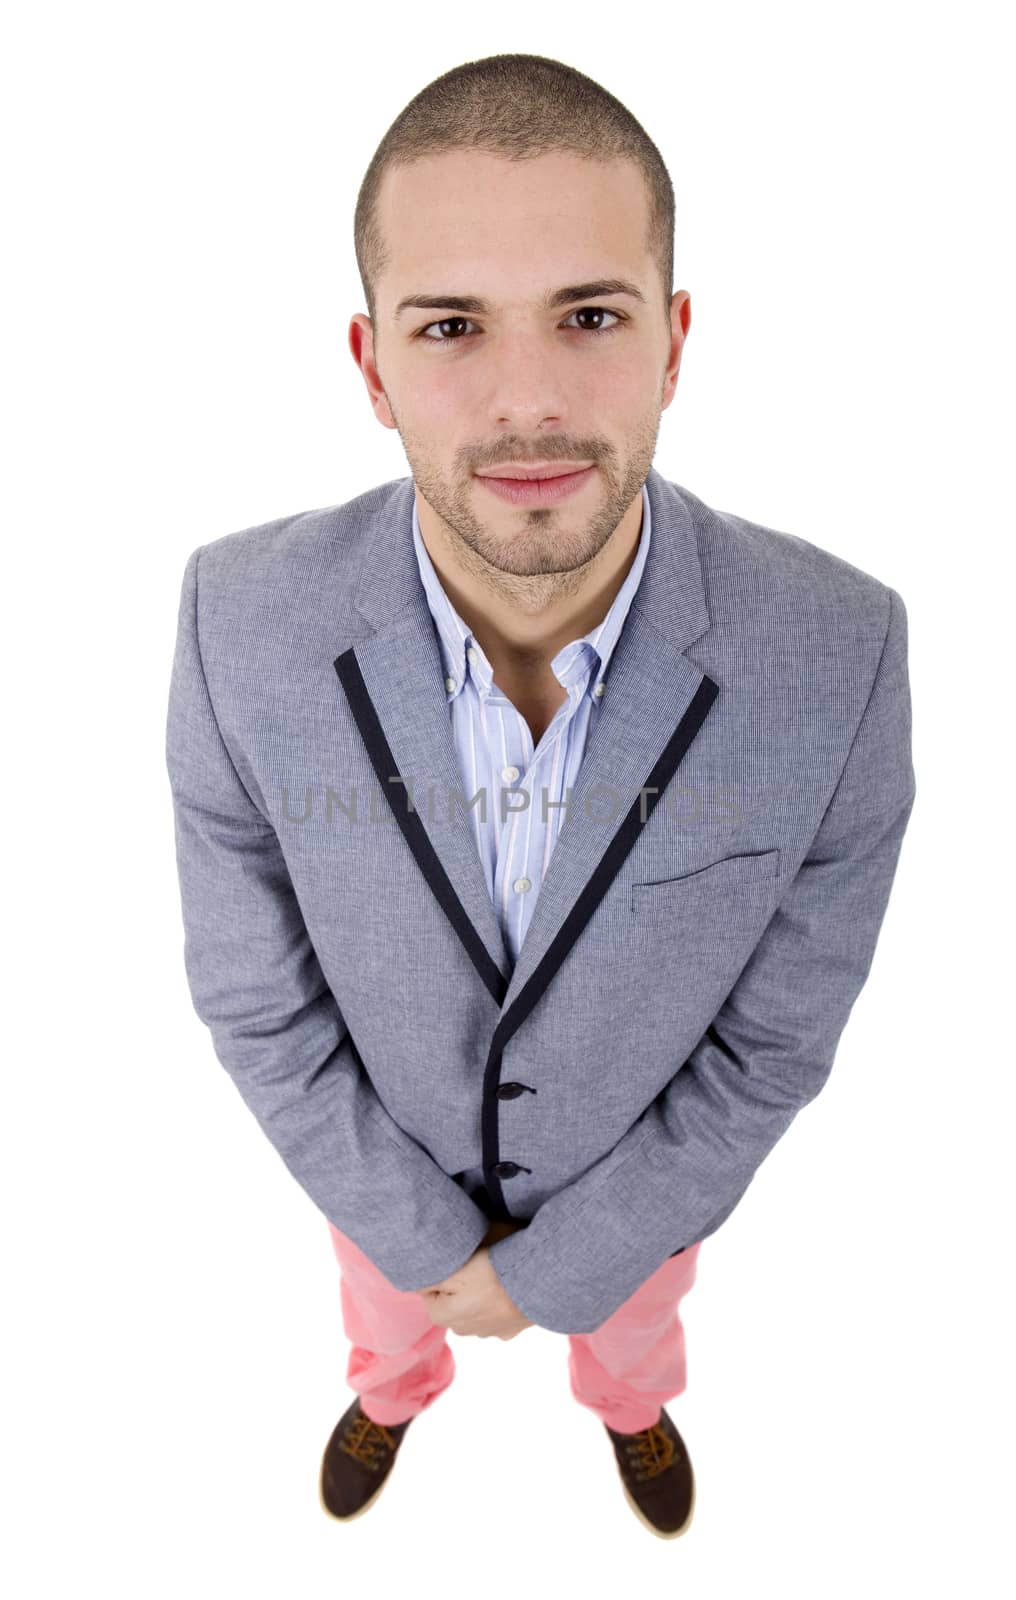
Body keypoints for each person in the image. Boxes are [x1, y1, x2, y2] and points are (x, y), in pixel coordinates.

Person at [165, 53, 916, 1541]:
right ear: (374, 366)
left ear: (673, 344)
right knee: (384, 1324)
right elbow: (256, 1001)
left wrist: (560, 1273)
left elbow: (777, 1041)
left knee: (633, 1340)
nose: (529, 400)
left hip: (643, 1202)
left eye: (590, 316)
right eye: (452, 326)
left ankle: (631, 1410)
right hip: (381, 1186)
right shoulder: (231, 619)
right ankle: (392, 1397)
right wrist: (431, 1242)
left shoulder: (844, 650)